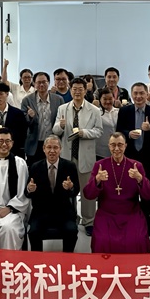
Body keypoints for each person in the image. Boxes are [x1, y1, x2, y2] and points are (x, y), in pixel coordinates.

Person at [83, 132, 150, 254]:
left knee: (138, 239)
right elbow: (88, 195)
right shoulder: (100, 166)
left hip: (131, 213)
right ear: (109, 146)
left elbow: (149, 195)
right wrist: (97, 180)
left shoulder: (136, 166)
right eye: (113, 145)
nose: (116, 149)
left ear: (125, 146)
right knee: (102, 240)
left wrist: (140, 179)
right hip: (106, 213)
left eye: (120, 145)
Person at [52, 77, 102, 234]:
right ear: (70, 90)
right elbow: (55, 130)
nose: (77, 92)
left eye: (80, 89)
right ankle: (70, 217)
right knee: (67, 189)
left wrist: (83, 133)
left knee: (87, 190)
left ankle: (89, 221)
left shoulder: (94, 110)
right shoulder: (62, 108)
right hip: (67, 155)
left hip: (85, 155)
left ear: (85, 90)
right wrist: (60, 126)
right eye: (74, 89)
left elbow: (99, 131)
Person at [116, 82, 150, 235]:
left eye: (141, 93)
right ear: (131, 95)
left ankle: (145, 219)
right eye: (135, 93)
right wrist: (128, 134)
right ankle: (130, 219)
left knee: (146, 190)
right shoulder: (124, 111)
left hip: (149, 158)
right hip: (130, 157)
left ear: (147, 94)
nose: (138, 96)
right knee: (129, 189)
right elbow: (119, 131)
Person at [26, 135, 80, 252]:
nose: (52, 151)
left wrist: (71, 187)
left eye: (55, 147)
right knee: (33, 232)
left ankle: (67, 259)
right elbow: (27, 193)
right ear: (44, 149)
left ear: (60, 149)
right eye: (49, 147)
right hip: (41, 211)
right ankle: (37, 260)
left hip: (63, 211)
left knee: (72, 231)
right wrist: (30, 189)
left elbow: (76, 190)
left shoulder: (70, 166)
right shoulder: (35, 167)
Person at [20, 72, 62, 166]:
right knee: (35, 170)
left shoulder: (58, 99)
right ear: (34, 83)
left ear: (49, 83)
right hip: (35, 143)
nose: (41, 85)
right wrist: (30, 117)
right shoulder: (27, 100)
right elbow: (22, 122)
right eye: (38, 82)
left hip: (53, 144)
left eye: (44, 82)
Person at [95, 88, 119, 161]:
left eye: (110, 99)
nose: (108, 101)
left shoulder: (119, 112)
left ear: (114, 99)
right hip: (100, 152)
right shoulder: (96, 113)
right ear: (100, 100)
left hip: (117, 151)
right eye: (105, 99)